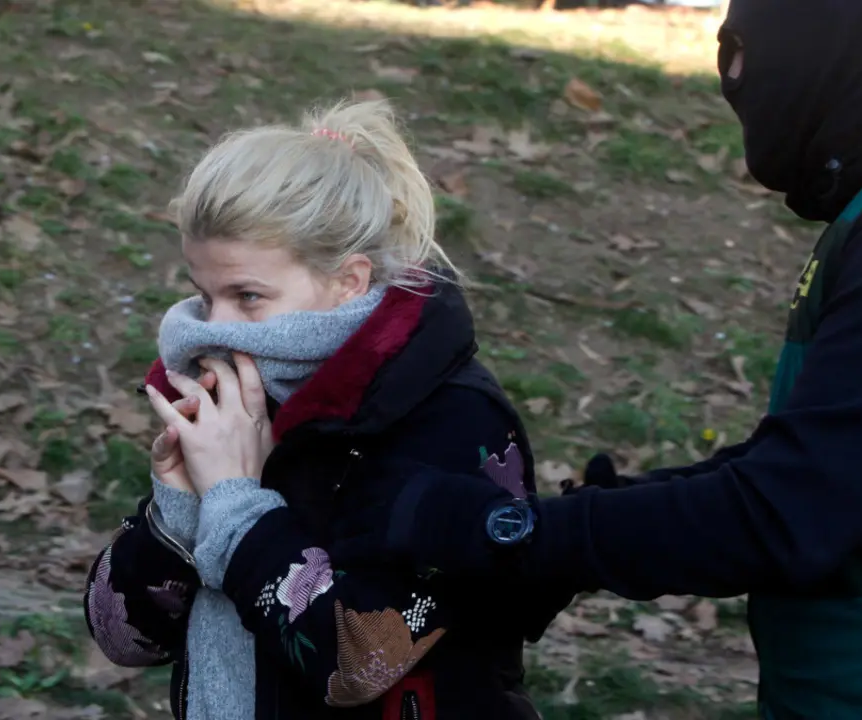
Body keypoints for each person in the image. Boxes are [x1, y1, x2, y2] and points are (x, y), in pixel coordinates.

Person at [336, 1, 862, 718]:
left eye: (743, 54)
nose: (735, 83)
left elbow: (784, 516)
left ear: (835, 44)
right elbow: (833, 458)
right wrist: (588, 525)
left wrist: (502, 532)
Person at [82, 99, 566, 720]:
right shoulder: (238, 398)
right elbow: (123, 639)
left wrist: (234, 502)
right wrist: (174, 512)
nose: (216, 327)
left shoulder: (452, 420)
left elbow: (358, 659)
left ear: (349, 280)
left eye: (248, 297)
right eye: (205, 297)